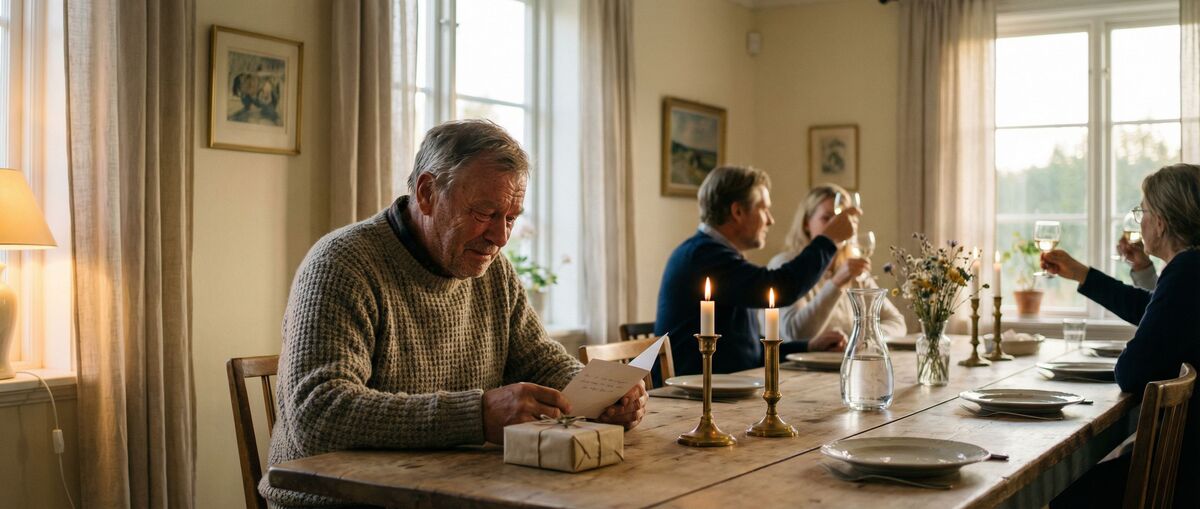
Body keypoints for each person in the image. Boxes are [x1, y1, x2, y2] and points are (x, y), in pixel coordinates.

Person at [262, 120, 647, 508]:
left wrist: (603, 395)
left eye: (511, 218)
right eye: (484, 212)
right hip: (335, 499)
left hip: (452, 489)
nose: (500, 237)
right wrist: (475, 415)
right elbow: (318, 415)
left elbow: (540, 361)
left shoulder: (493, 272)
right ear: (427, 193)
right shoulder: (342, 264)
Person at [1044, 163, 1200, 508]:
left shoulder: (1187, 271)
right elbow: (1154, 309)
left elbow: (1131, 371)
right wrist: (1084, 275)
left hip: (1181, 475)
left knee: (1056, 495)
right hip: (1187, 463)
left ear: (1160, 221)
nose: (1139, 221)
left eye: (1142, 211)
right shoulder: (1190, 267)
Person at [655, 166, 858, 376]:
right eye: (763, 209)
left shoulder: (714, 254)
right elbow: (781, 286)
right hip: (695, 397)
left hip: (725, 387)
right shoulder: (702, 256)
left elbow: (746, 352)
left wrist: (808, 347)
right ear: (738, 212)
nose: (770, 220)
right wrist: (828, 240)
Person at [768, 184, 906, 346]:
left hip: (844, 367)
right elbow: (795, 334)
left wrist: (862, 338)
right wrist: (836, 284)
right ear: (806, 223)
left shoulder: (853, 268)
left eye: (843, 219)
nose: (837, 226)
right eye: (827, 218)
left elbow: (897, 323)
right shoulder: (786, 264)